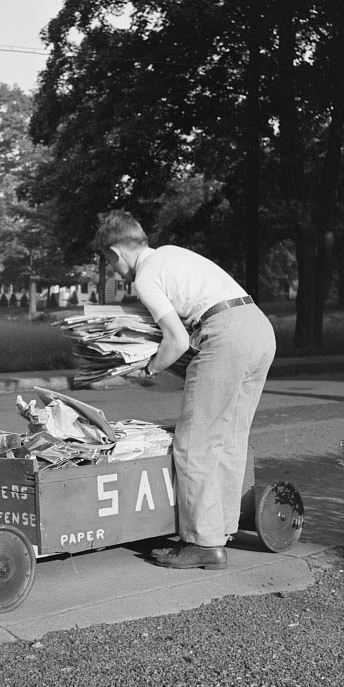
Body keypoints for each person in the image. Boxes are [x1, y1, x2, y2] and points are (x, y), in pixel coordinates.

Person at [93, 210, 275, 569]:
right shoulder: (172, 254)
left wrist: (149, 368)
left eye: (109, 264)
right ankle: (221, 530)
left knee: (194, 442)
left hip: (225, 335)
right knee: (228, 438)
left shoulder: (146, 278)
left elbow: (175, 341)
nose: (115, 272)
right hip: (259, 329)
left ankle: (202, 544)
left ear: (115, 254)